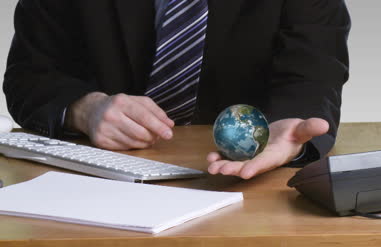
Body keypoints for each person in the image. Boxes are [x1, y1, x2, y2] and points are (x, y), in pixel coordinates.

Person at [3, 0, 350, 179]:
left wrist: (287, 133)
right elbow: (29, 76)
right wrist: (85, 109)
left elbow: (314, 73)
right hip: (101, 175)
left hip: (244, 185)